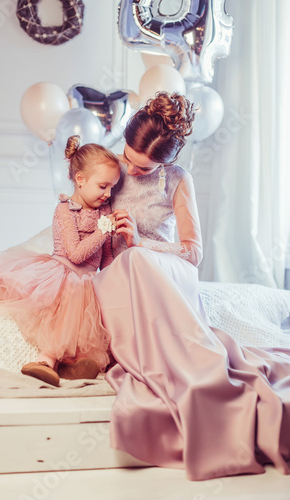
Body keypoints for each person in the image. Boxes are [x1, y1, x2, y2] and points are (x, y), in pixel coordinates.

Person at [91, 92, 290, 481]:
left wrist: (140, 243)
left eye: (145, 168)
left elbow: (192, 253)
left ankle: (200, 372)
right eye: (128, 157)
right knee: (131, 260)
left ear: (168, 162)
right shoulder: (107, 167)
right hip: (121, 275)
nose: (131, 170)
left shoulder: (178, 180)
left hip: (167, 269)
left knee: (139, 257)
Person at [0, 136, 120, 387]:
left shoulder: (105, 212)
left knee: (91, 318)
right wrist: (102, 232)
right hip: (63, 272)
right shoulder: (65, 210)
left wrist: (110, 279)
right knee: (68, 303)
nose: (109, 194)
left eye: (112, 188)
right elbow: (75, 254)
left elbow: (106, 256)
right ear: (80, 180)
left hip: (89, 279)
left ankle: (76, 365)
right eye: (103, 186)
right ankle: (46, 362)